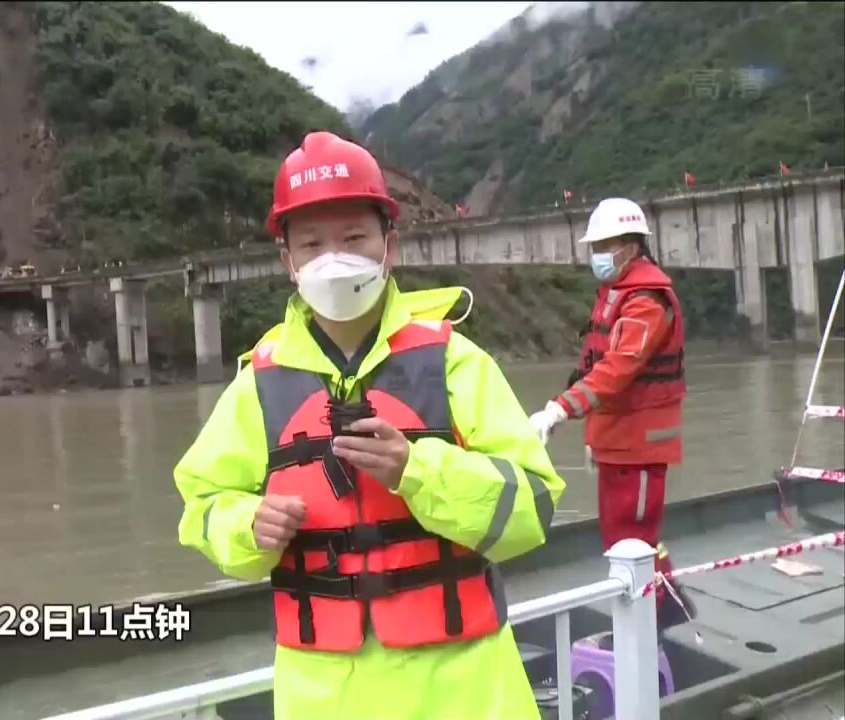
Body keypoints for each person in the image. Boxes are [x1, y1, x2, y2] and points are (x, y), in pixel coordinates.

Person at [174, 130, 566, 720]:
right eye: (311, 243)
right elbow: (201, 505)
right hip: (325, 699)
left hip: (466, 692)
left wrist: (418, 470)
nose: (333, 258)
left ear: (389, 246)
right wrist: (246, 524)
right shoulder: (257, 383)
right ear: (288, 261)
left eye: (354, 237)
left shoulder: (456, 362)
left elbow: (534, 508)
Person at [528, 197, 695, 632]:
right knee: (624, 539)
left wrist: (559, 410)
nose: (598, 254)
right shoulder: (618, 292)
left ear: (631, 245)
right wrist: (587, 430)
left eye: (605, 245)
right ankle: (665, 610)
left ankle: (649, 628)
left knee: (633, 545)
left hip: (639, 446)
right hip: (617, 442)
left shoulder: (646, 302)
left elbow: (618, 368)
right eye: (595, 245)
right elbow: (594, 366)